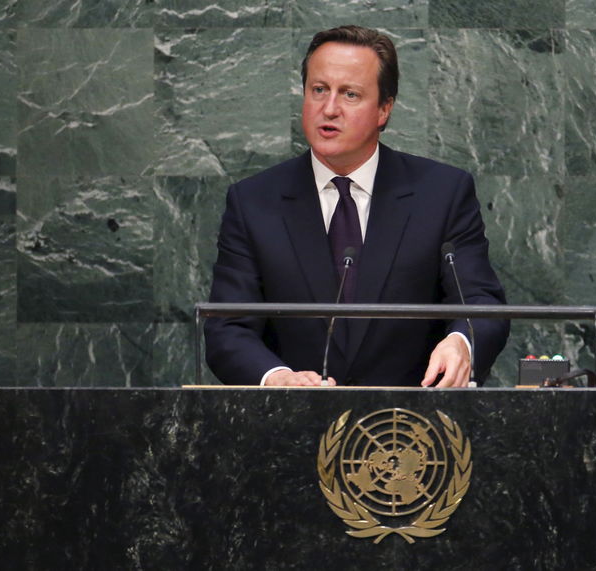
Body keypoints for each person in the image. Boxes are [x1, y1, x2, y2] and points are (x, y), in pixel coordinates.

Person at [205, 25, 508, 387]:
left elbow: (480, 301)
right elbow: (227, 327)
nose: (329, 109)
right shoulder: (253, 202)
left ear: (384, 109)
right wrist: (276, 378)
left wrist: (462, 343)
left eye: (349, 94)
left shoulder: (442, 193)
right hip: (290, 426)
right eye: (319, 90)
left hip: (411, 429)